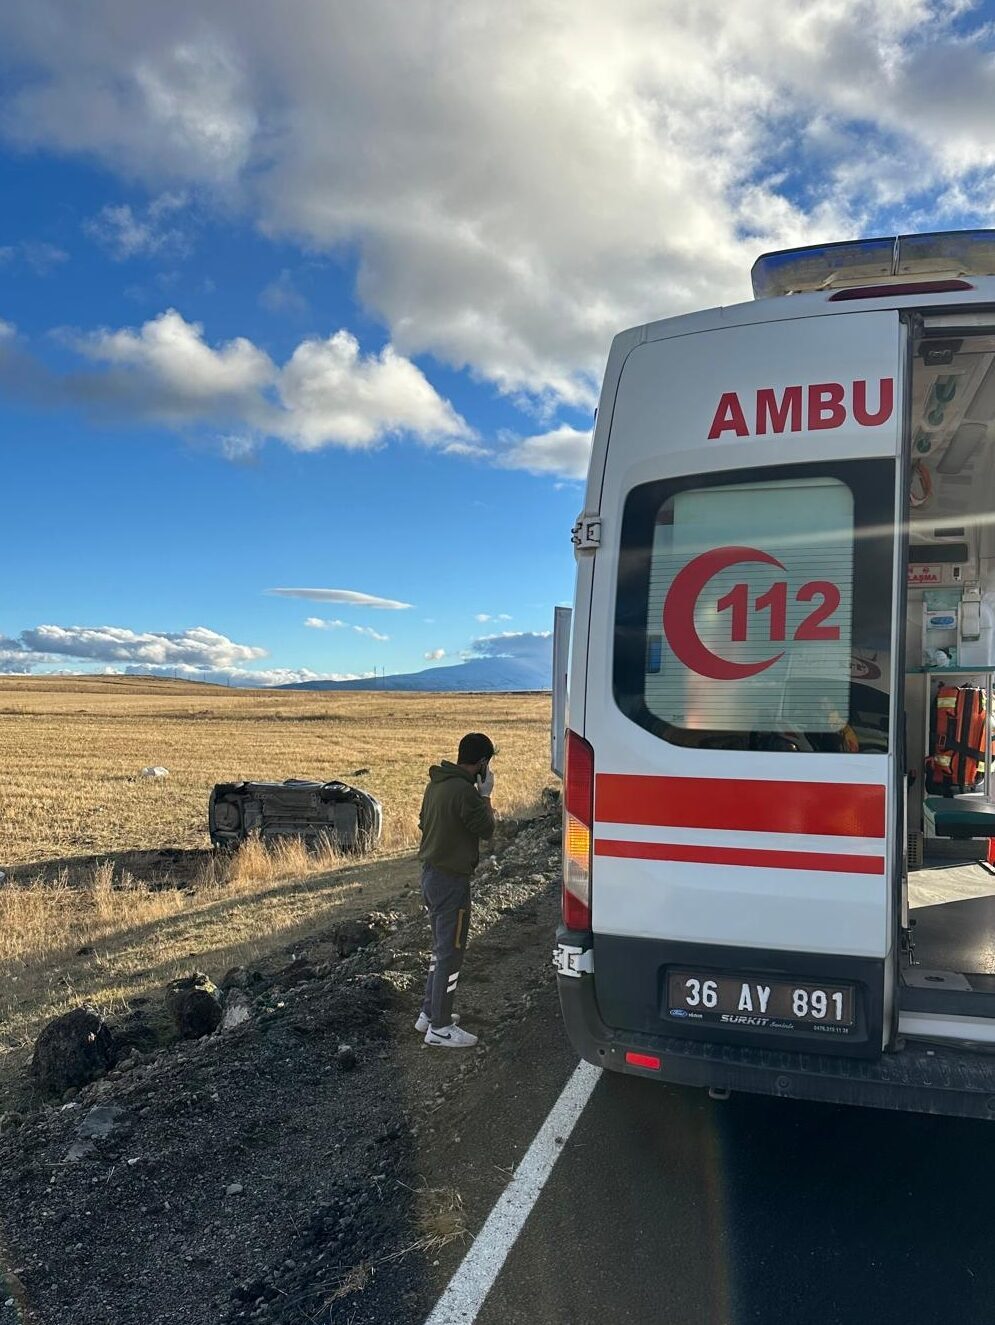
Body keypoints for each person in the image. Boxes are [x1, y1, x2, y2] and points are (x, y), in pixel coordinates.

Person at [416, 732, 495, 1047]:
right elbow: (487, 829)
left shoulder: (436, 784)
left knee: (440, 949)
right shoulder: (465, 792)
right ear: (482, 763)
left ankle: (429, 1013)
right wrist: (485, 795)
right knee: (451, 953)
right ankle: (440, 1027)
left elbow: (423, 823)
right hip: (451, 882)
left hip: (430, 875)